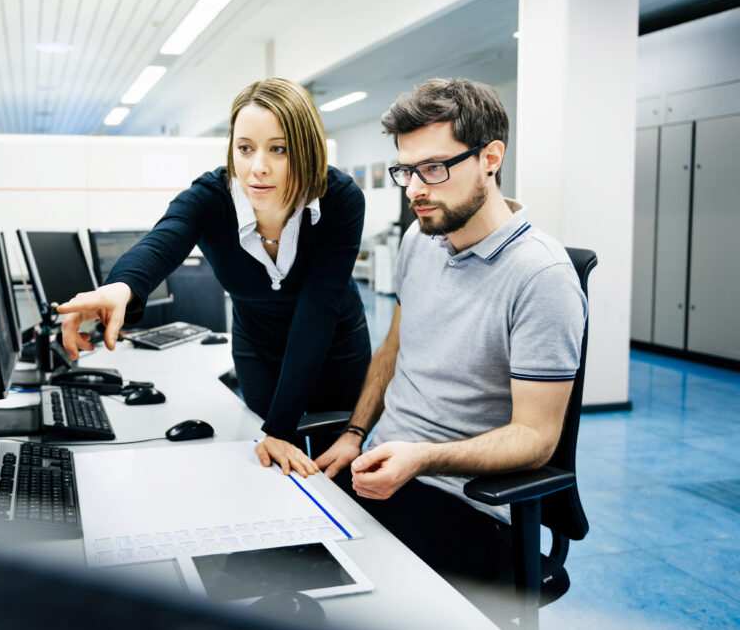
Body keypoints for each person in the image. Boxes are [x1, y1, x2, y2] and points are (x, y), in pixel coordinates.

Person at [314, 78, 586, 601]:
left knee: (339, 595)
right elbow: (394, 350)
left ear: (490, 157)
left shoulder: (541, 276)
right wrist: (354, 432)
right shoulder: (422, 238)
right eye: (405, 171)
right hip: (386, 472)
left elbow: (537, 437)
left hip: (470, 506)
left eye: (433, 168)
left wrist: (421, 458)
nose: (415, 189)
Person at [57, 78, 371, 477]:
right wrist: (121, 288)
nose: (257, 166)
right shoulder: (211, 198)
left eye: (279, 149)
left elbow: (317, 313)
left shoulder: (340, 199)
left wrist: (281, 427)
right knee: (272, 466)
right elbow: (163, 240)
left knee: (333, 469)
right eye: (245, 148)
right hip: (258, 347)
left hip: (333, 346)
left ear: (306, 149)